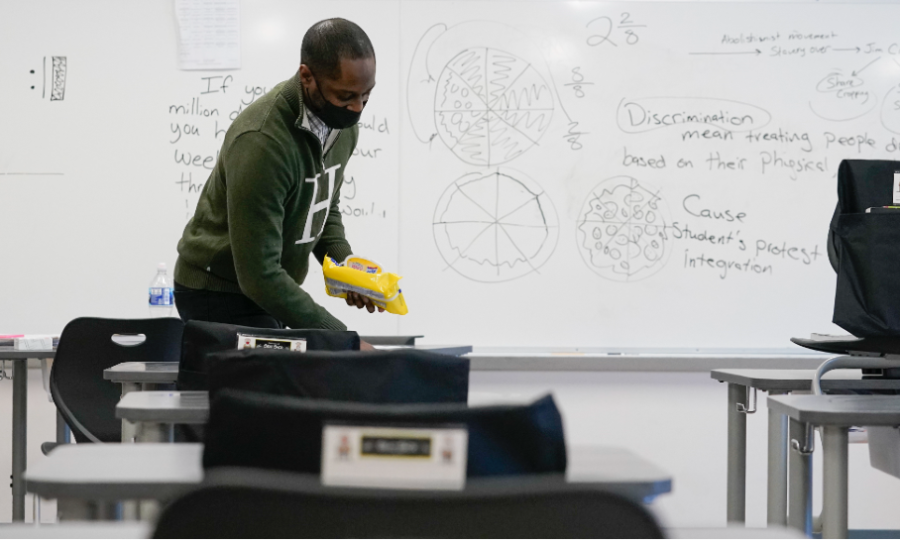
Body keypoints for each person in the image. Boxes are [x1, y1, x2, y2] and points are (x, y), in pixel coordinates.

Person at [173, 18, 382, 342]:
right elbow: (259, 276)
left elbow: (324, 204)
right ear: (307, 77)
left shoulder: (342, 125)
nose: (357, 109)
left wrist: (345, 266)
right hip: (218, 290)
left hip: (268, 286)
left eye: (366, 96)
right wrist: (342, 340)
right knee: (268, 383)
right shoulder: (262, 142)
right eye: (345, 96)